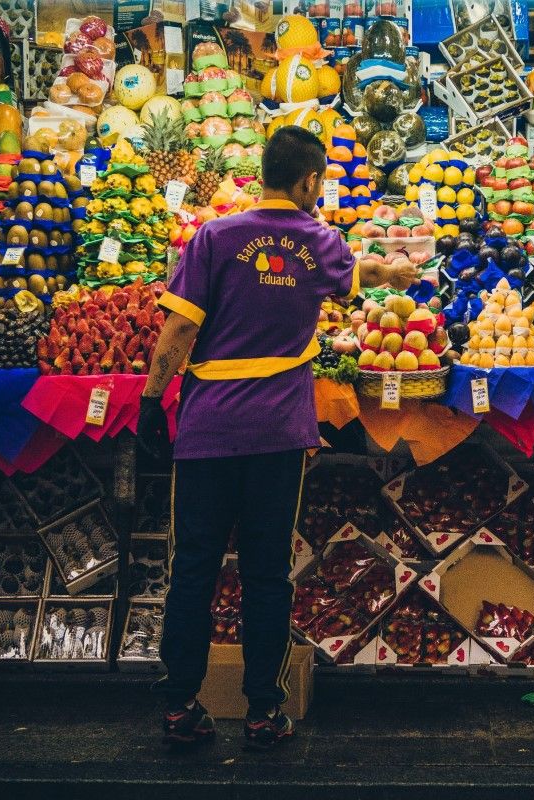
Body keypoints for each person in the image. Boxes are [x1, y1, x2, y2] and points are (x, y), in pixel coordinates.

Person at [137, 126, 420, 750]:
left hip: (208, 430)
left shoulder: (213, 237)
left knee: (193, 569)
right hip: (277, 436)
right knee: (268, 573)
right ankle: (264, 711)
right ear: (309, 181)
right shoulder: (321, 243)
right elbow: (361, 275)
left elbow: (178, 333)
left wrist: (152, 404)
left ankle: (181, 705)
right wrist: (398, 275)